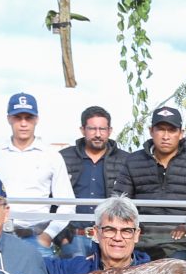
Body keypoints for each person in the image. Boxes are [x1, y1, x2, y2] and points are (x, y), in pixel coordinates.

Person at [127, 106, 186, 262]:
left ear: (181, 133)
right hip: (141, 243)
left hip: (185, 243)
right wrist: (133, 230)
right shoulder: (132, 161)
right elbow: (120, 202)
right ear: (151, 131)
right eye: (160, 130)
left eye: (171, 130)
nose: (165, 136)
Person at [0, 92, 72, 252]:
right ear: (9, 119)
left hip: (38, 235)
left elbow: (67, 203)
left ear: (36, 119)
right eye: (18, 117)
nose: (23, 123)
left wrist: (48, 235)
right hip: (0, 234)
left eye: (28, 118)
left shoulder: (51, 155)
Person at [58, 106, 135, 258]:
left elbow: (133, 199)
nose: (98, 134)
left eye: (102, 129)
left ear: (110, 130)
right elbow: (52, 198)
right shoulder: (63, 158)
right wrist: (62, 237)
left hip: (110, 237)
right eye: (92, 129)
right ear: (82, 130)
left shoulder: (126, 160)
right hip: (74, 237)